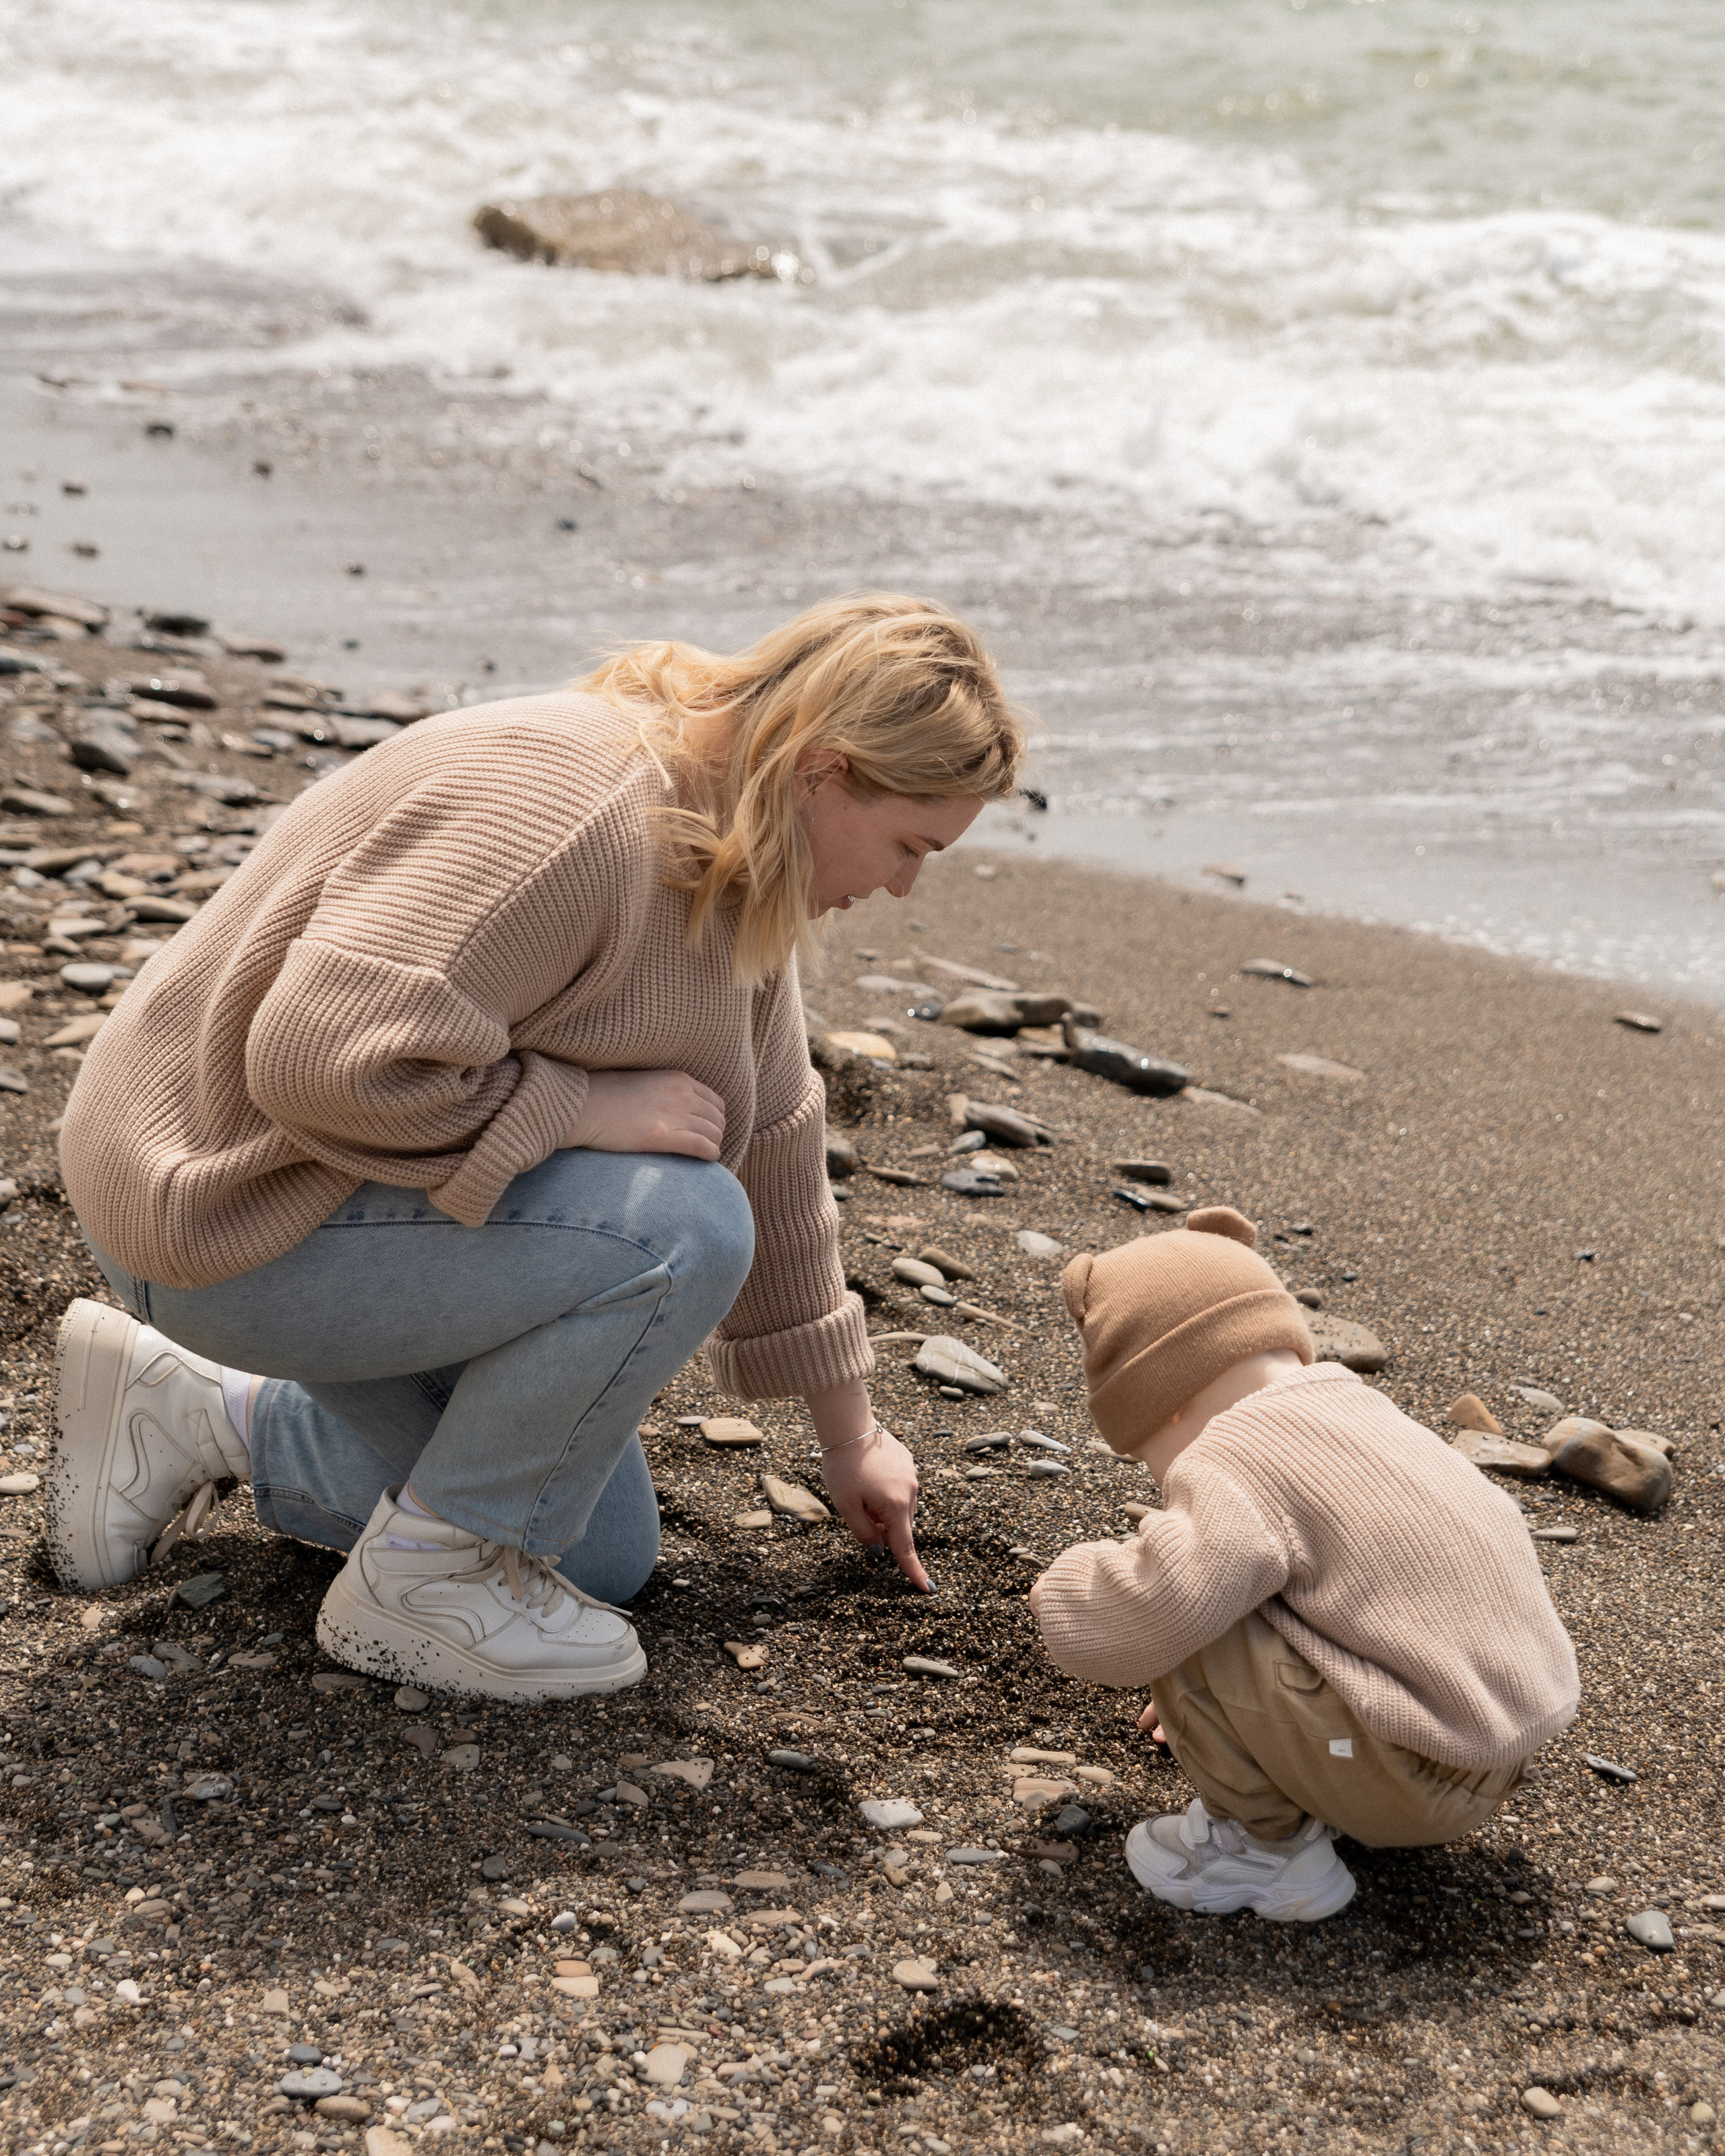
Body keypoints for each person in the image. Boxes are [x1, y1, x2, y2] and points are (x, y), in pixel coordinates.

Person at [49, 592, 1024, 1701]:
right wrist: (572, 1110)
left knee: (597, 1553)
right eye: (909, 845)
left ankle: (193, 1415)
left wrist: (851, 1438)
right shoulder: (574, 808)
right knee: (683, 1228)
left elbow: (781, 1144)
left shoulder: (734, 855)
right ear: (824, 770)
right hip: (212, 1206)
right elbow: (319, 1061)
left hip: (337, 1198)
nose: (905, 885)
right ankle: (424, 1586)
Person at [1028, 1207, 1578, 1922]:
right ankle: (1311, 1771)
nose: (1158, 1475)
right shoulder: (1365, 1417)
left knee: (1190, 1593)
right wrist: (1225, 1710)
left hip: (1407, 1777)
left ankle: (1265, 1852)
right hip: (1497, 1752)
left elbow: (1156, 1604)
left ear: (1161, 1401)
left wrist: (1060, 1594)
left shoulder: (1237, 1453)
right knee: (1259, 1576)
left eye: (1143, 1456)